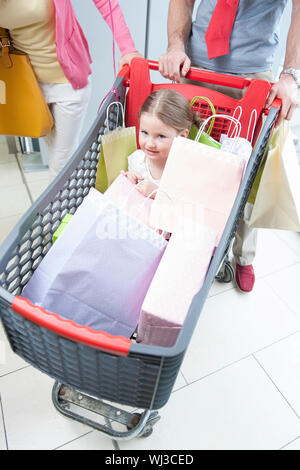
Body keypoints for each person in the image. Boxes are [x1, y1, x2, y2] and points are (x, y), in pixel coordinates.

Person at [158, 0, 300, 292]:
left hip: (253, 77)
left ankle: (243, 255)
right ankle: (190, 242)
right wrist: (175, 46)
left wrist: (290, 75)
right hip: (195, 67)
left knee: (248, 175)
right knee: (190, 162)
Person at [0, 0, 142, 179]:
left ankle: (57, 205)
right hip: (29, 87)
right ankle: (61, 203)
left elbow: (106, 2)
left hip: (67, 82)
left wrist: (128, 48)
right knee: (54, 149)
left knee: (61, 163)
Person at [124, 88, 203, 198]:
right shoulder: (137, 160)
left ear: (182, 136)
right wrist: (129, 179)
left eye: (161, 136)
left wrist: (158, 194)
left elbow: (189, 204)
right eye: (145, 132)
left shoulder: (185, 171)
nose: (150, 144)